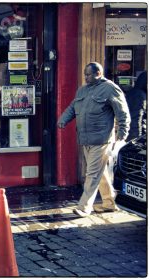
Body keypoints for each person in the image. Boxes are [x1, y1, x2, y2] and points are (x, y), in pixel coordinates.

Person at [57, 62, 130, 217]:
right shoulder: (82, 90)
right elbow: (72, 107)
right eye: (85, 74)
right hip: (85, 139)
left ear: (98, 73)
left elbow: (123, 113)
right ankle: (109, 203)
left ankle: (84, 207)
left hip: (102, 139)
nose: (85, 77)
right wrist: (64, 118)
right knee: (99, 171)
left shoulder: (110, 88)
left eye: (88, 74)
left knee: (92, 174)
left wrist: (122, 136)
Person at [126, 71, 147, 141]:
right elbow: (136, 119)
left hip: (133, 134)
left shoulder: (135, 92)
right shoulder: (139, 95)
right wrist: (137, 139)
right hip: (135, 136)